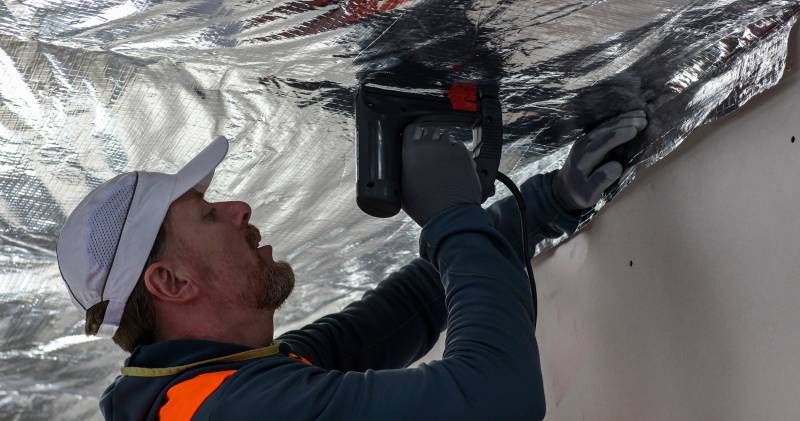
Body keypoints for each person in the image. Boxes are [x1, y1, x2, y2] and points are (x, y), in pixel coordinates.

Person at [57, 110, 647, 420]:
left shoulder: (220, 383)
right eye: (208, 215)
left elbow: (406, 309)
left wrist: (548, 203)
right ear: (171, 282)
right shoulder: (233, 410)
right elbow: (497, 399)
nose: (239, 209)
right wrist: (451, 215)